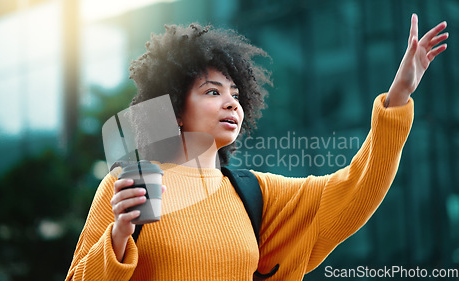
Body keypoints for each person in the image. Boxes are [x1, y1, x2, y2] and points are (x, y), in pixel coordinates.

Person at [66, 14, 448, 280]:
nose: (232, 102)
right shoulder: (129, 185)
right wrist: (118, 234)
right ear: (175, 107)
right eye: (212, 92)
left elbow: (355, 188)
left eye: (235, 93)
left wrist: (398, 97)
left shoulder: (253, 194)